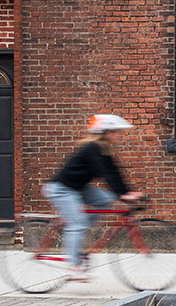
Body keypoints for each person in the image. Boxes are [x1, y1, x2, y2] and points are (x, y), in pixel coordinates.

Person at [42, 114, 142, 279]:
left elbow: (114, 173)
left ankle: (78, 233)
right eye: (117, 132)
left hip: (78, 188)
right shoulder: (93, 148)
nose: (120, 135)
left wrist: (127, 192)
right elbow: (106, 174)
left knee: (106, 200)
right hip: (62, 189)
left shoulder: (104, 149)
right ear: (107, 132)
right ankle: (74, 267)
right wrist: (124, 195)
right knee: (77, 224)